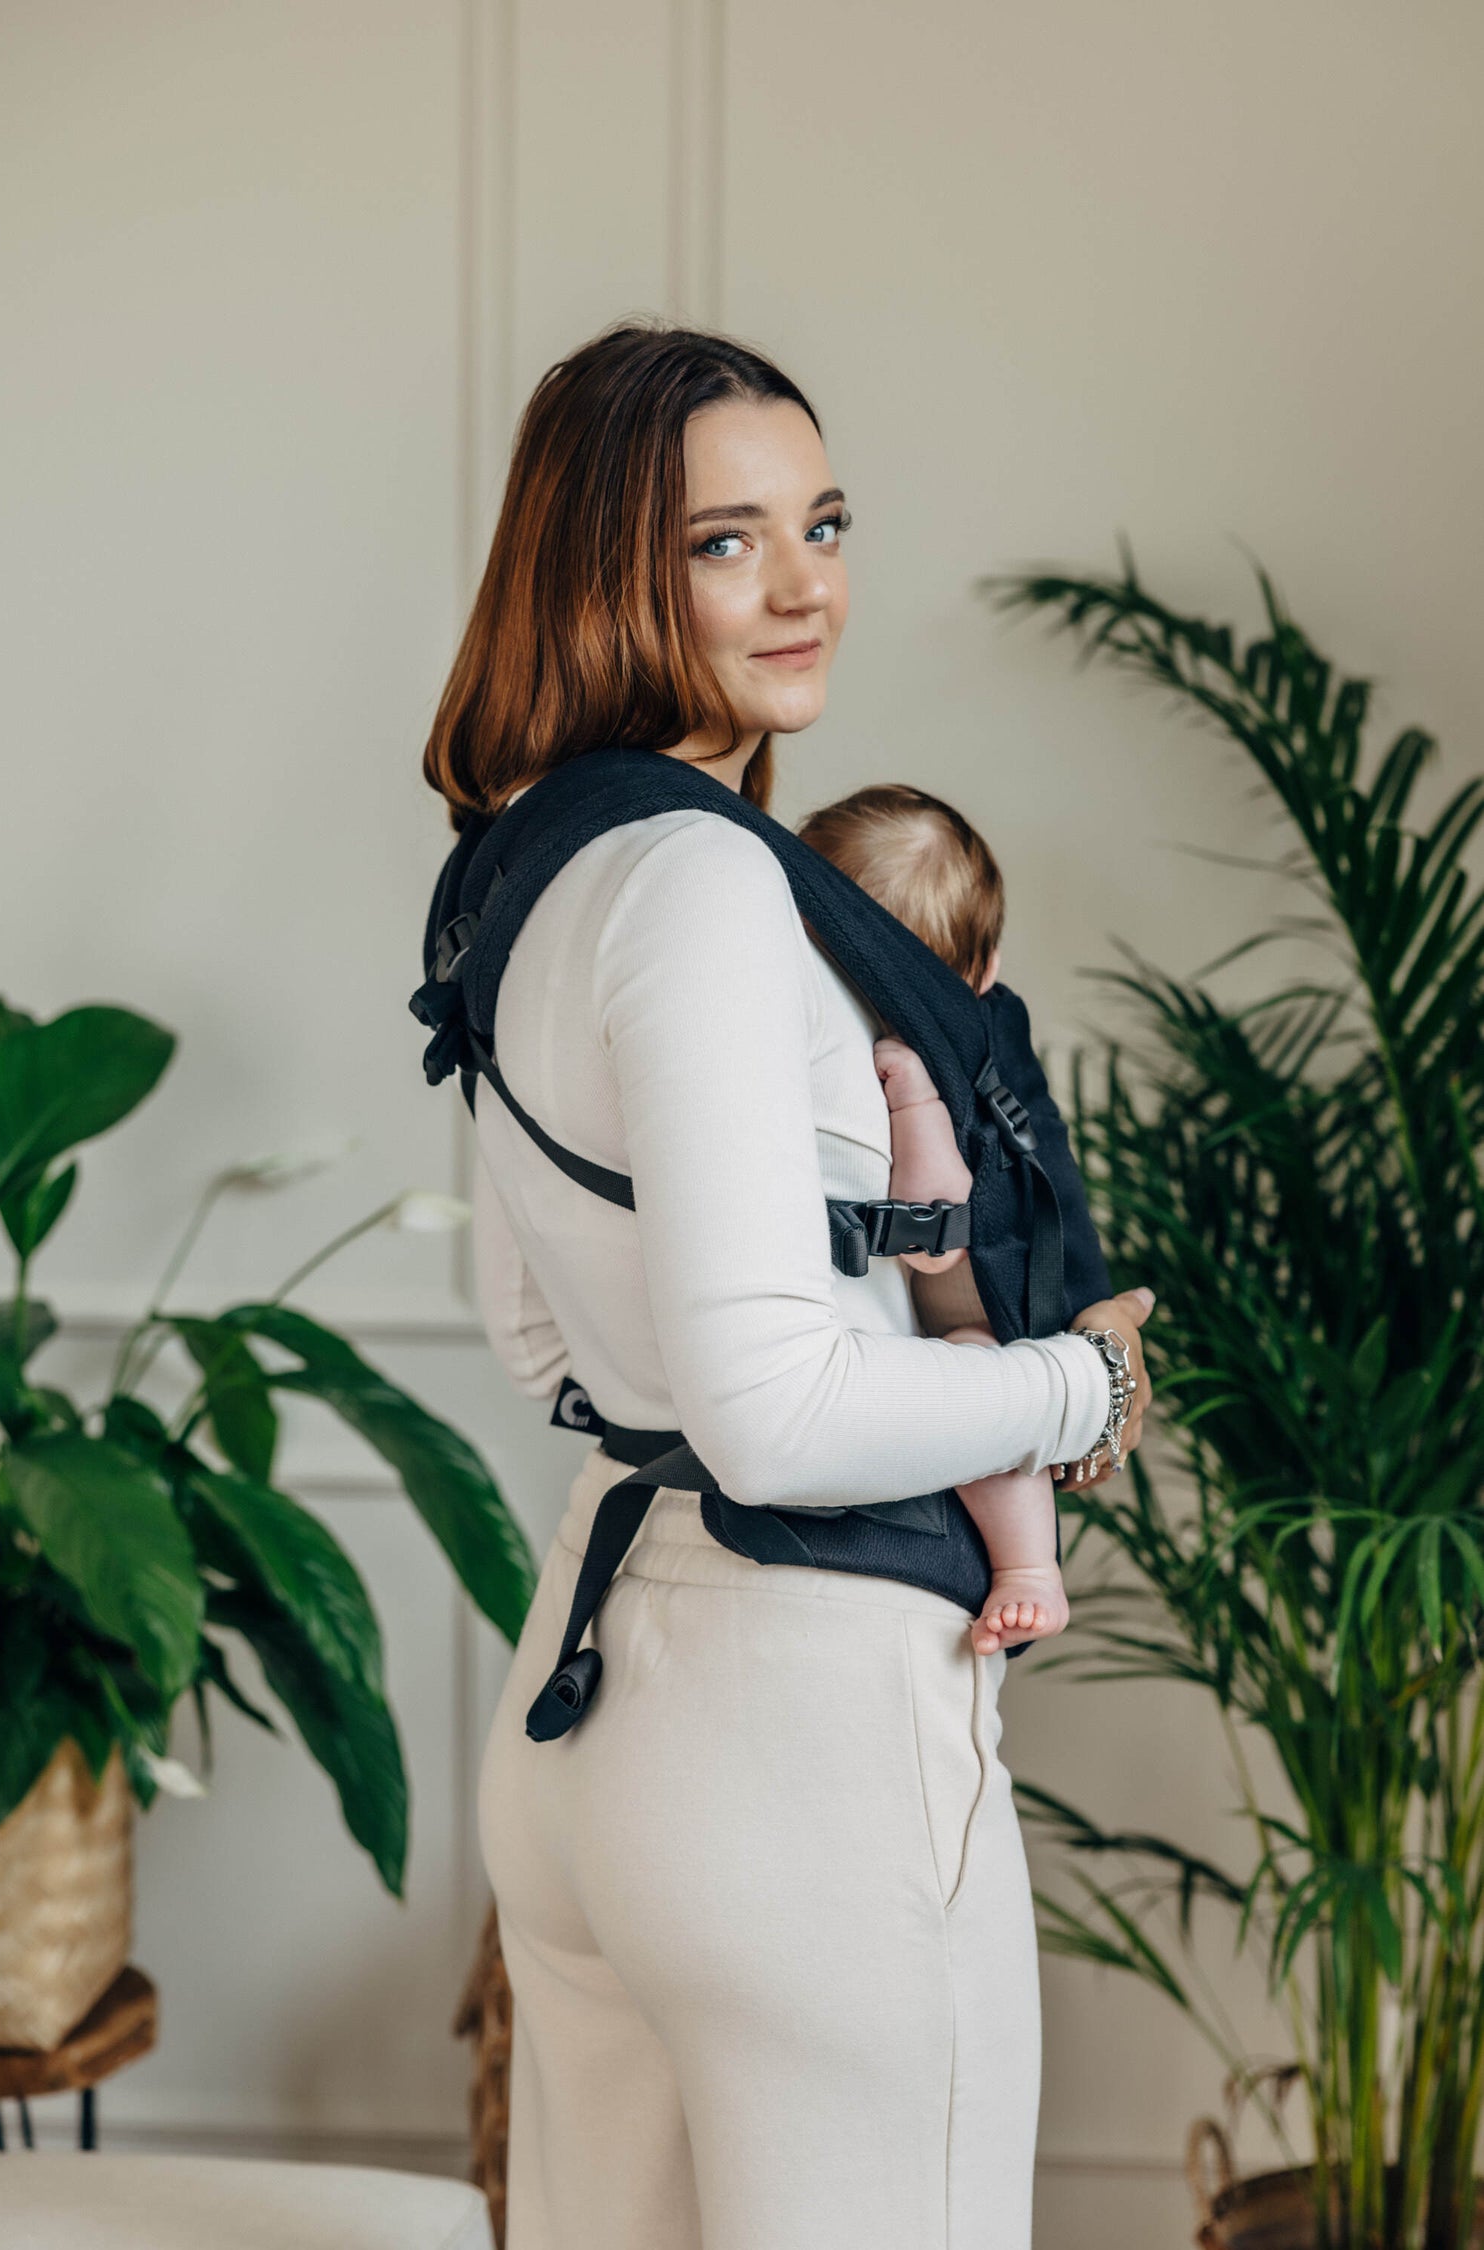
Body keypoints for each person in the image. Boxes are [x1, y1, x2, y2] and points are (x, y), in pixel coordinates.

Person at [423, 319, 1155, 2250]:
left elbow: (536, 1334)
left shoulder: (520, 872)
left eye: (822, 523)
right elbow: (777, 1413)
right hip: (800, 1745)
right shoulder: (710, 881)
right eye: (724, 542)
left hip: (592, 1722)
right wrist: (1083, 1387)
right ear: (606, 570)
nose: (806, 582)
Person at [798, 784, 1071, 1660]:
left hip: (981, 1310)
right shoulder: (904, 1032)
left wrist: (913, 1101)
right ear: (983, 969)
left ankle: (1030, 1569)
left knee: (981, 1392)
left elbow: (935, 1232)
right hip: (926, 1322)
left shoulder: (921, 1062)